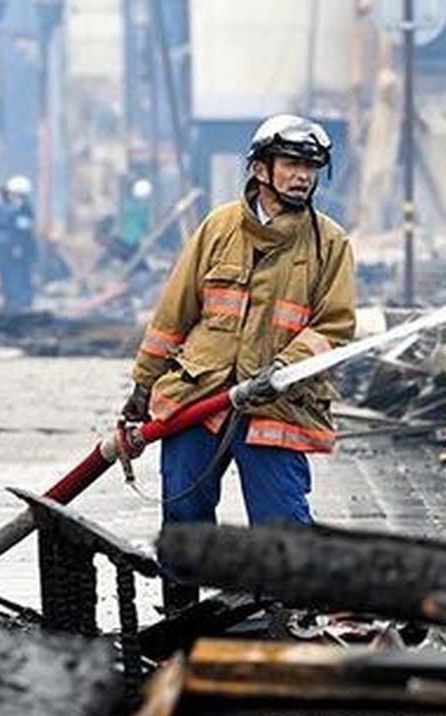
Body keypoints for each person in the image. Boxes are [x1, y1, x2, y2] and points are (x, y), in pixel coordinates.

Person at [120, 114, 355, 610]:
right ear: (261, 169)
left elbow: (334, 326)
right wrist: (143, 386)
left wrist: (285, 367)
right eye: (291, 164)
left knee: (282, 524)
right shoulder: (218, 228)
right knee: (184, 514)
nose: (303, 177)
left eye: (311, 168)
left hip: (276, 405)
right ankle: (180, 619)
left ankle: (287, 620)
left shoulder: (330, 244)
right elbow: (174, 314)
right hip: (198, 397)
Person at [0, 175, 37, 310]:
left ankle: (20, 301)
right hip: (5, 245)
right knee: (5, 274)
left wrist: (18, 246)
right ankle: (9, 300)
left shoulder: (23, 208)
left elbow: (21, 229)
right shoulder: (10, 206)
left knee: (17, 274)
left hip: (16, 246)